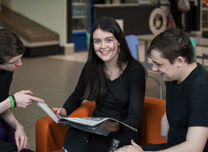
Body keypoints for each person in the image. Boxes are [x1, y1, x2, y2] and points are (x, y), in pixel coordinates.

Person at [53, 17, 147, 152]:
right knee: (74, 135)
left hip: (124, 132)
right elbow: (76, 96)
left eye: (108, 40)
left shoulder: (135, 70)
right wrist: (64, 110)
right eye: (97, 41)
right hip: (96, 127)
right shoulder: (92, 66)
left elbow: (134, 118)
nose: (103, 46)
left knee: (92, 148)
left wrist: (114, 126)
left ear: (119, 40)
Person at [116, 28, 208, 152]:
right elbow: (181, 100)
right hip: (174, 145)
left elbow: (194, 147)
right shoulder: (173, 74)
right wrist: (166, 115)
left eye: (159, 64)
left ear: (179, 61)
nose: (154, 69)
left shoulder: (202, 88)